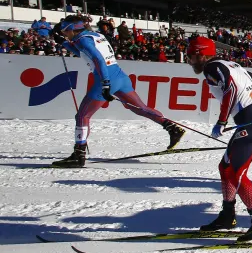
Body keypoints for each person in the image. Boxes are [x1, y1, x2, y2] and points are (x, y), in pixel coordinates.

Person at [50, 16, 184, 167]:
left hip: (107, 78)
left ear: (72, 29)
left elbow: (98, 60)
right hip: (120, 77)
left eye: (64, 31)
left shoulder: (83, 40)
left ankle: (78, 155)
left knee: (82, 115)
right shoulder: (95, 36)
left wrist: (105, 83)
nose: (64, 34)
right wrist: (63, 43)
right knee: (140, 108)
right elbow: (82, 52)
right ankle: (172, 128)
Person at [187, 36, 252, 242]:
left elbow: (231, 90)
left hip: (249, 124)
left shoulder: (212, 67)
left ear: (201, 54)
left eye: (191, 56)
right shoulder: (232, 64)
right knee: (225, 168)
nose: (189, 61)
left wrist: (222, 121)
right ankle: (228, 215)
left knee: (236, 172)